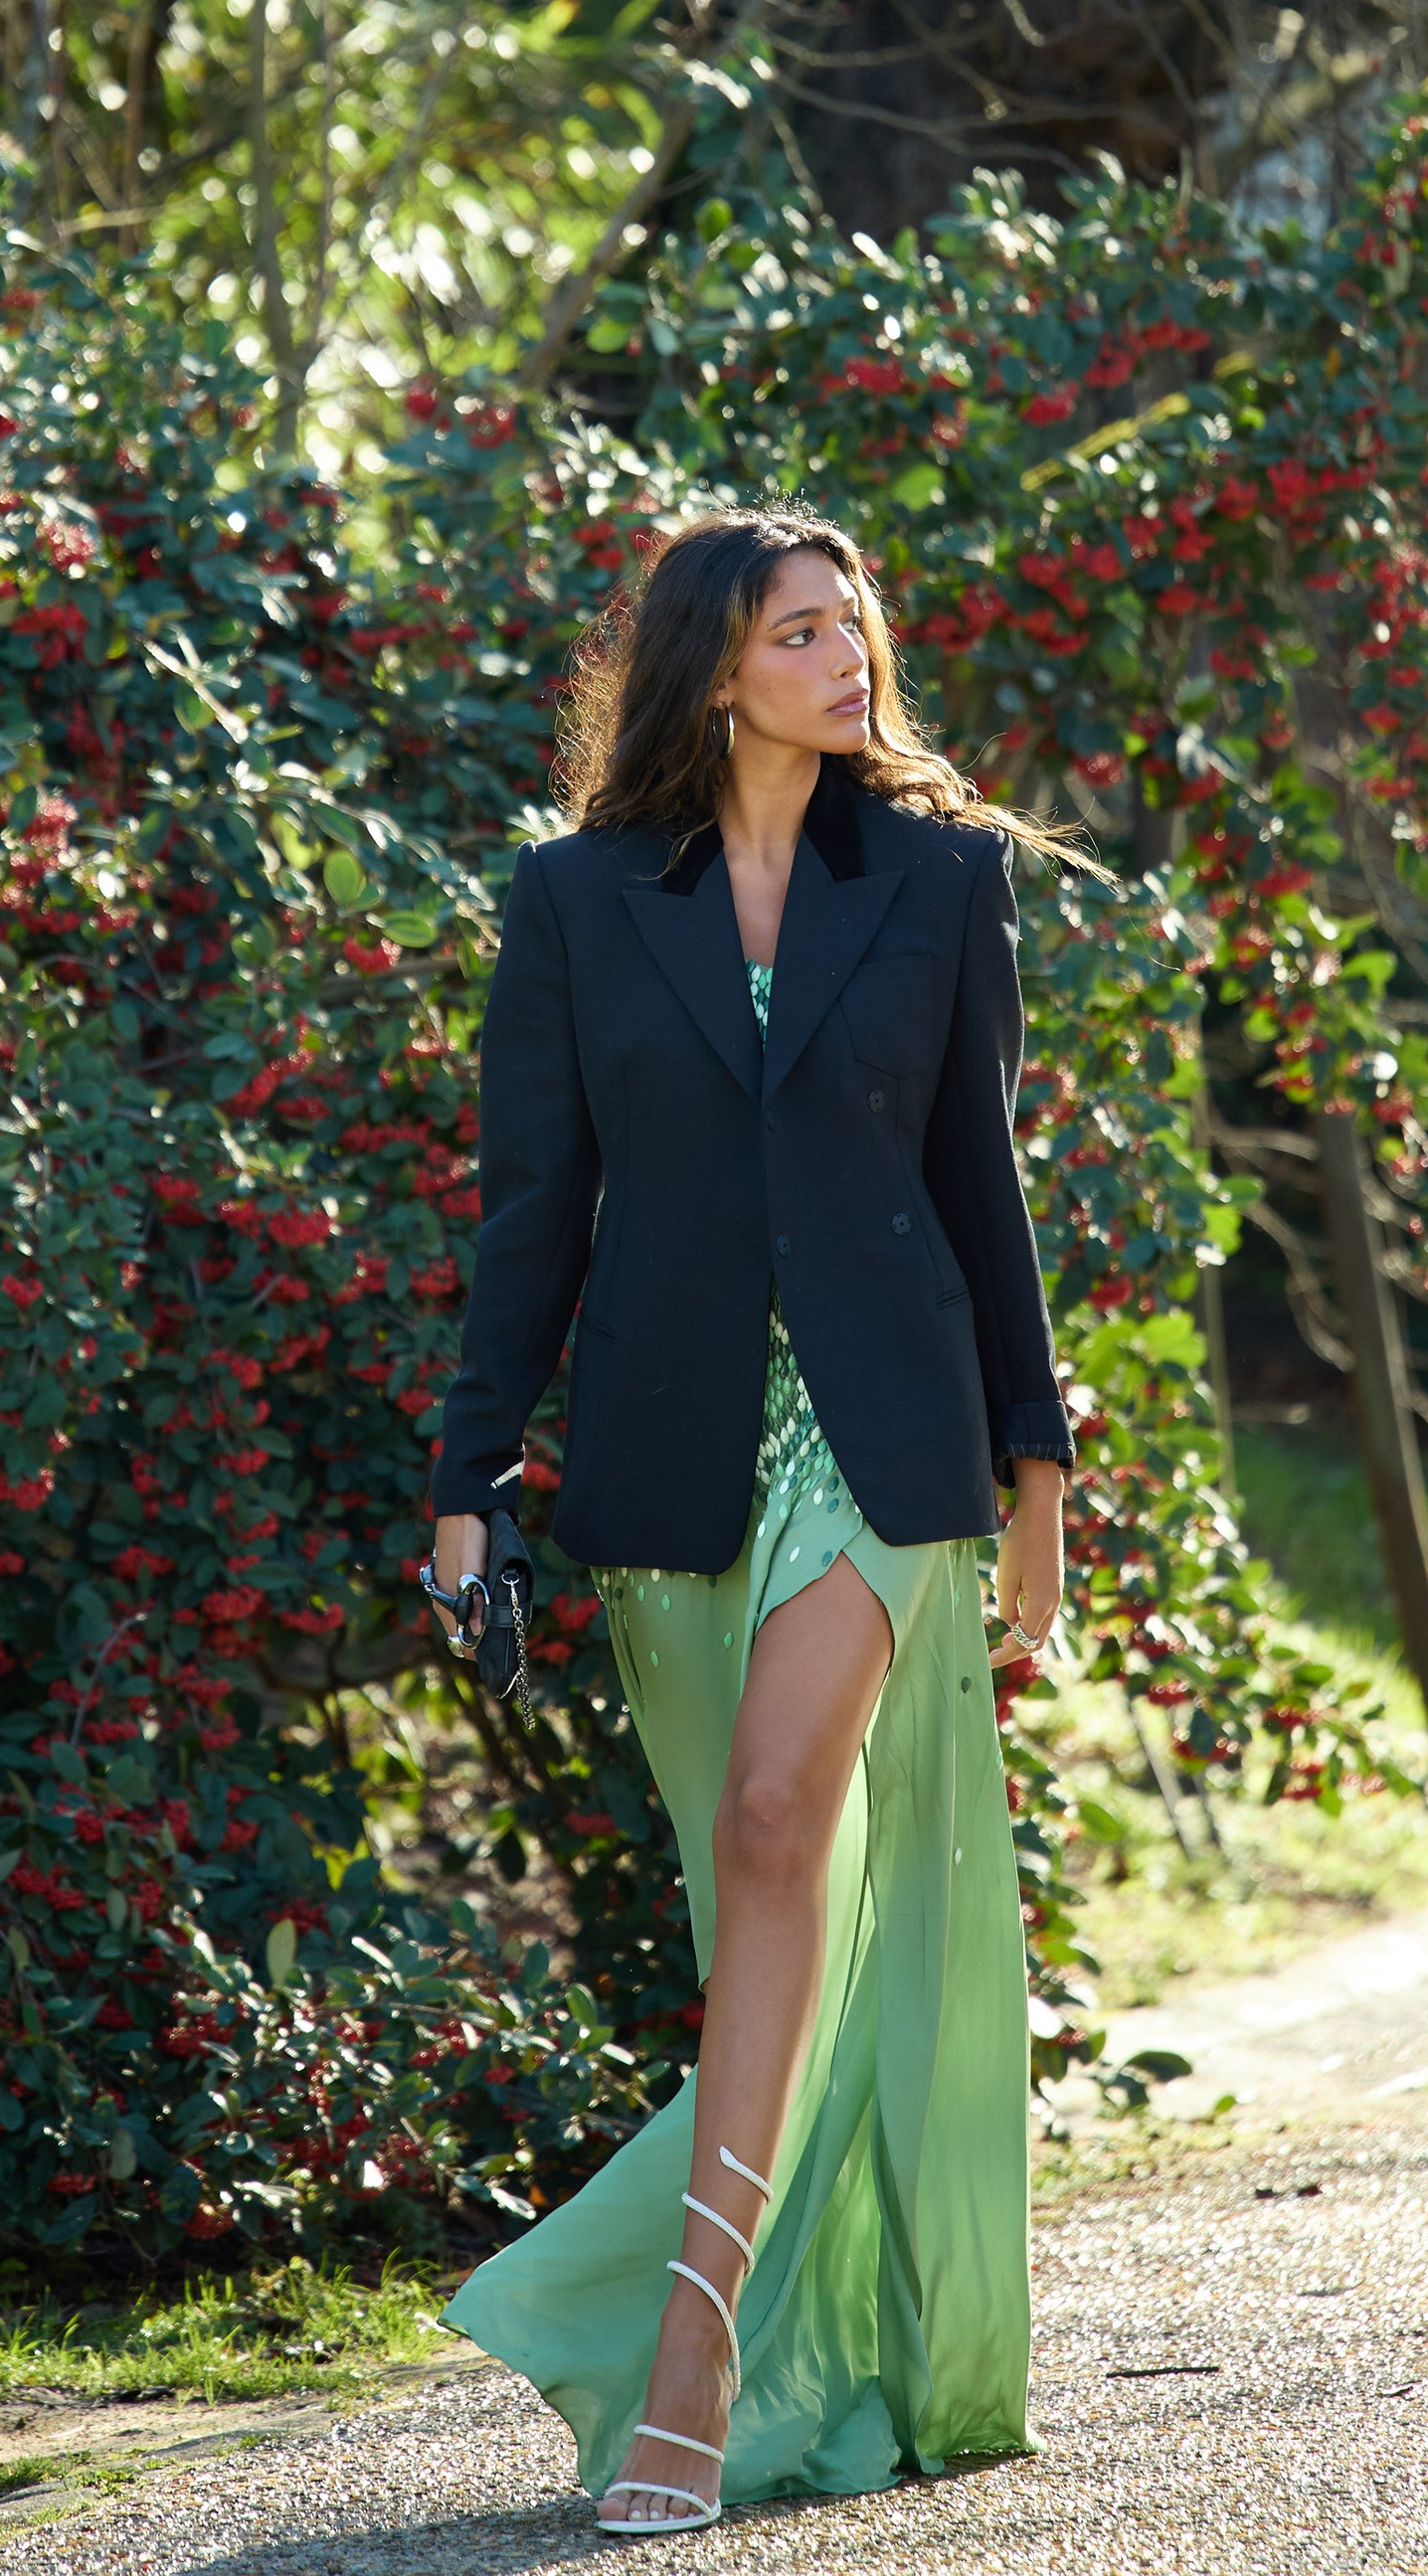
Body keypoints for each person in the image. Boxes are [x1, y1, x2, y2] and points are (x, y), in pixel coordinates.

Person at [424, 505, 1073, 2535]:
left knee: (777, 1816)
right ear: (713, 670)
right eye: (801, 633)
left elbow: (984, 1195)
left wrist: (1036, 1486)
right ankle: (789, 2302)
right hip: (673, 1451)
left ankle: (693, 2351)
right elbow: (533, 1208)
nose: (847, 658)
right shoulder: (577, 900)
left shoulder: (943, 882)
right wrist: (465, 1477)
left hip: (880, 1448)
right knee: (756, 1900)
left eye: (854, 624)